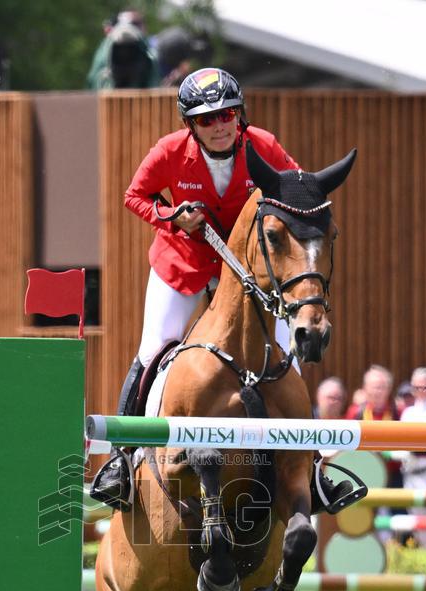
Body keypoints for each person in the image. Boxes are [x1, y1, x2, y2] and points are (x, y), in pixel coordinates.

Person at [91, 66, 305, 509]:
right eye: (207, 119)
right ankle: (120, 460)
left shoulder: (262, 145)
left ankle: (312, 464)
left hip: (245, 271)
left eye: (227, 114)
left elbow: (296, 186)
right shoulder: (170, 151)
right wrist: (172, 217)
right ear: (191, 124)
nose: (220, 125)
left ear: (239, 115)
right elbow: (135, 195)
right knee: (154, 349)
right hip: (184, 262)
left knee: (288, 356)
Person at [398, 367, 426, 547]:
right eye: (417, 387)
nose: (422, 391)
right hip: (409, 473)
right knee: (416, 521)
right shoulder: (407, 413)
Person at [86, 11, 160, 90]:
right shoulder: (104, 50)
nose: (127, 27)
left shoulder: (151, 51)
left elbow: (155, 82)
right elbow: (93, 82)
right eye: (119, 23)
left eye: (134, 24)